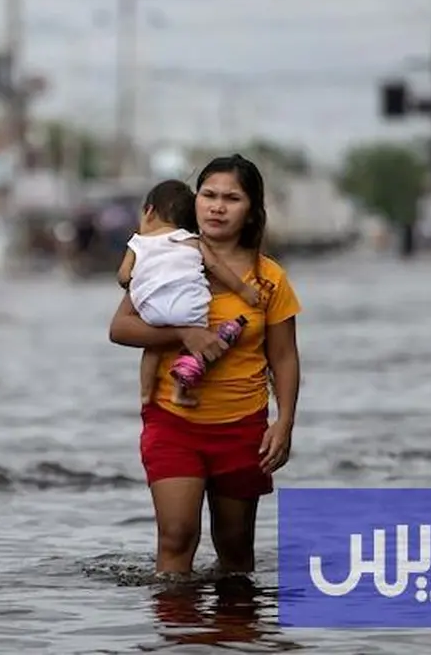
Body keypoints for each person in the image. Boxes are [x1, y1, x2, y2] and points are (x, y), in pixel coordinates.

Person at [108, 154, 301, 576]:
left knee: (235, 548)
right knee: (177, 536)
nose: (217, 207)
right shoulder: (166, 258)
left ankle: (235, 620)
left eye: (232, 198)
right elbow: (120, 328)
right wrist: (183, 334)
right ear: (194, 202)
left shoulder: (269, 278)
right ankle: (175, 618)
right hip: (172, 422)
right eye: (209, 195)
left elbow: (284, 356)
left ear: (252, 210)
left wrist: (284, 422)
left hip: (243, 427)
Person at [115, 179, 264, 407]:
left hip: (153, 310)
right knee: (196, 343)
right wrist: (243, 290)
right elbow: (214, 266)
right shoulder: (192, 241)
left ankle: (145, 393)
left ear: (149, 212)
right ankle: (180, 391)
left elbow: (124, 275)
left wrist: (135, 283)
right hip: (189, 309)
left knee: (153, 347)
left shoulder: (138, 242)